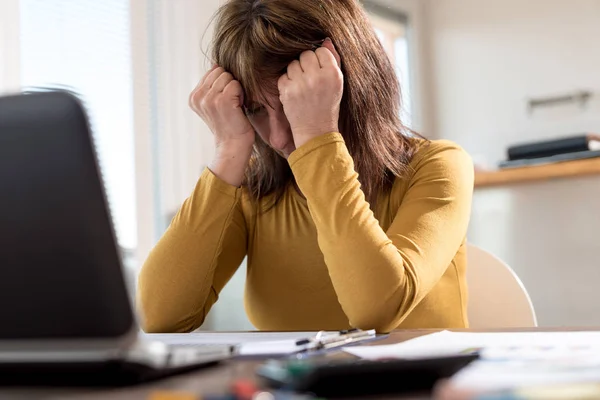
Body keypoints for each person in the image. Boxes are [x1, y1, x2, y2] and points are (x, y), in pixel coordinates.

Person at [137, 0, 474, 333]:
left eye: (292, 103)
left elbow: (375, 310)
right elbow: (159, 315)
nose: (279, 138)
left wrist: (316, 136)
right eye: (255, 110)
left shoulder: (438, 166)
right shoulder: (252, 191)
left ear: (346, 84)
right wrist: (228, 151)